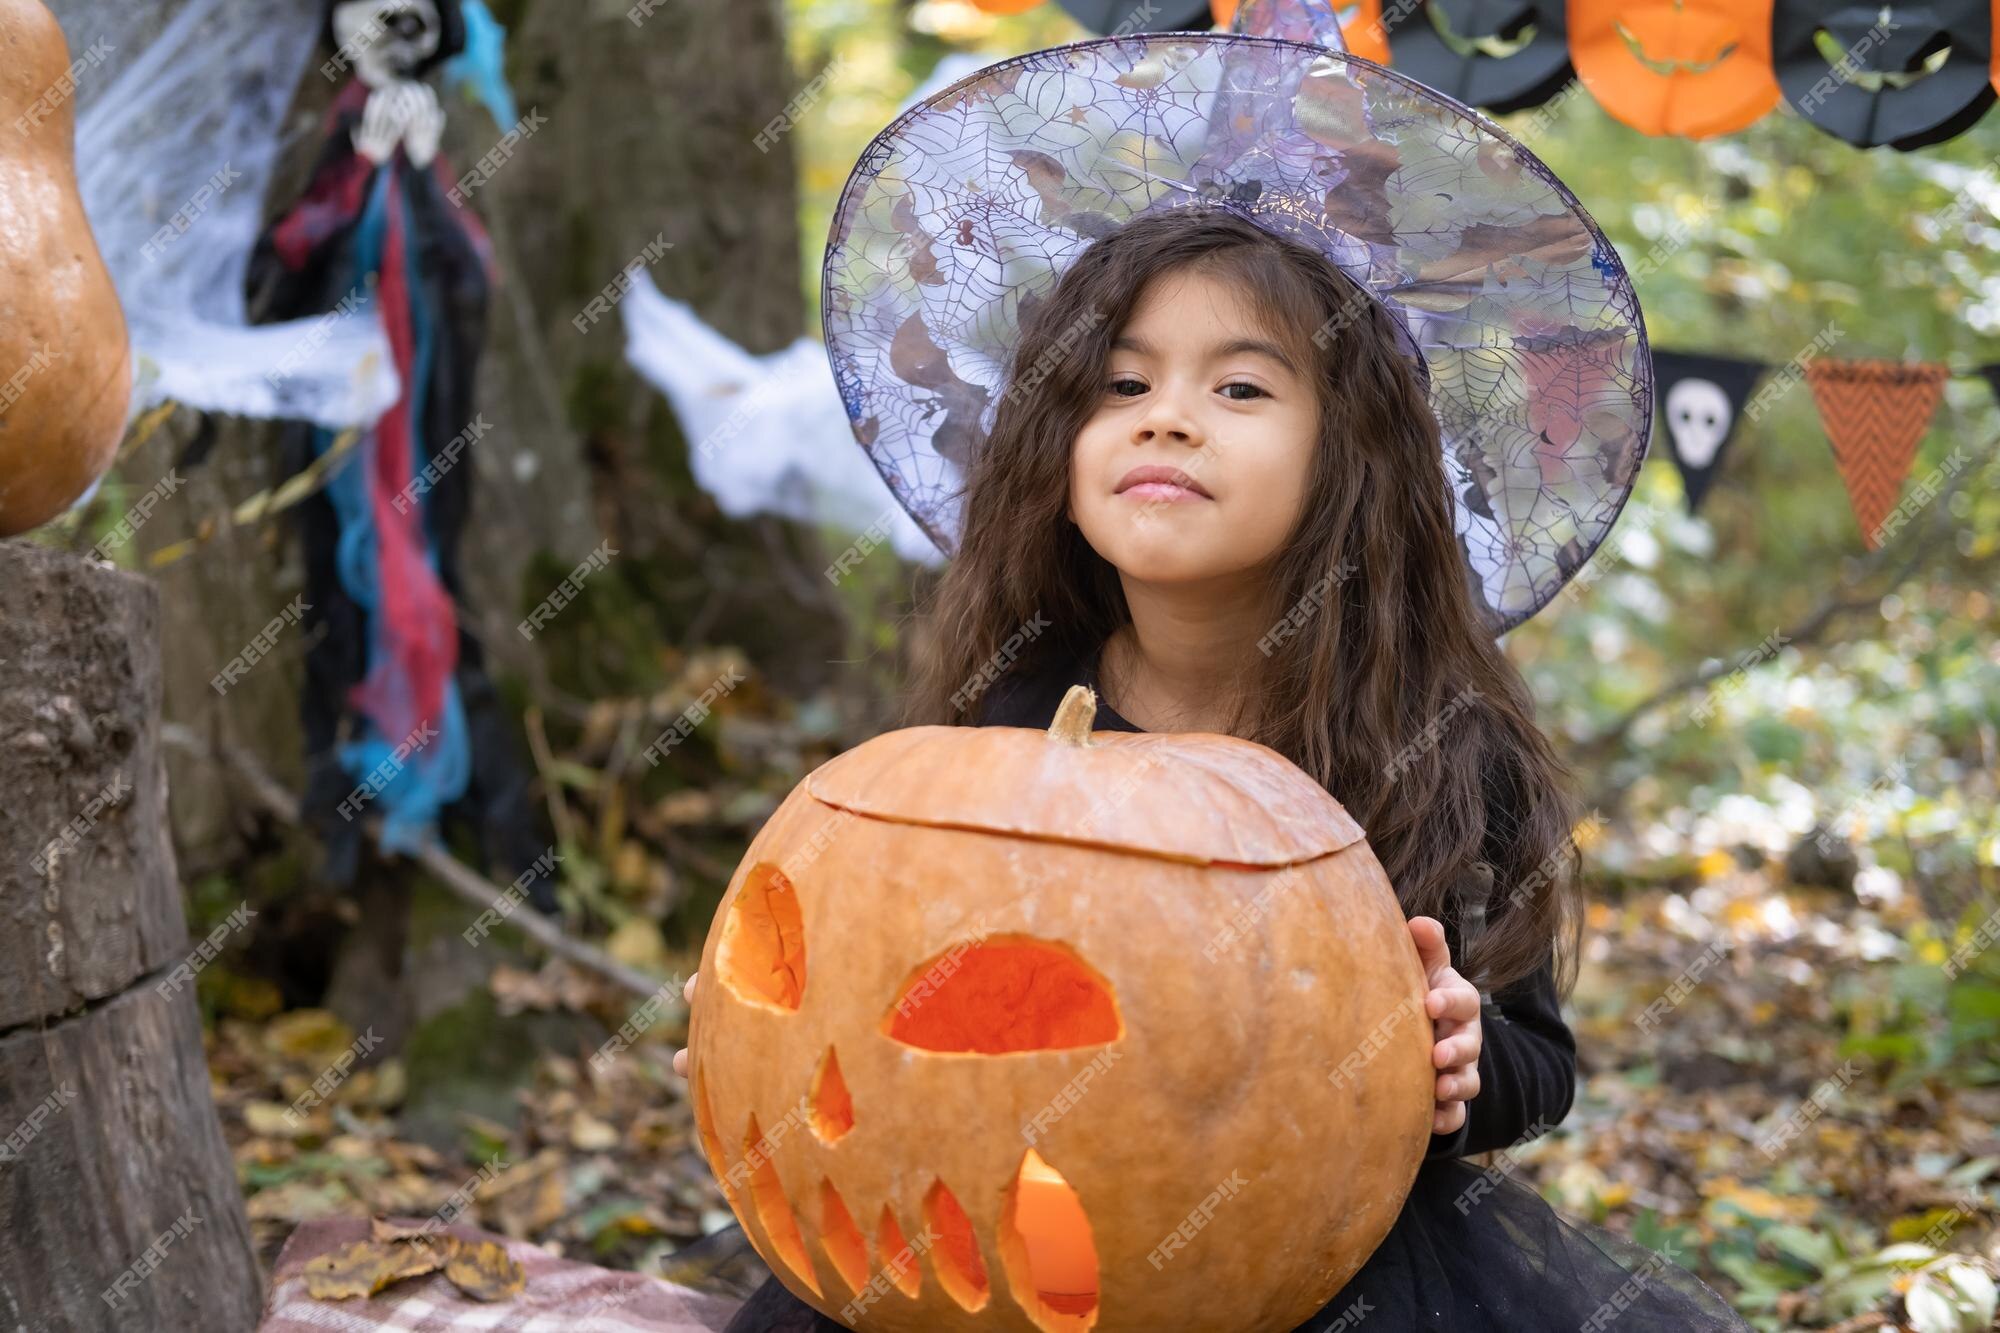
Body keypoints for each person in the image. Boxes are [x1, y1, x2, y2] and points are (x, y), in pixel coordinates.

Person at [677, 5, 1748, 1327]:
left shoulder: (1437, 740)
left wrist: (1461, 1055)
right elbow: (937, 987)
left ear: (1351, 457)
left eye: (1241, 390)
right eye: (1119, 386)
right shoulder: (1015, 712)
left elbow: (1542, 1060)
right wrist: (772, 1033)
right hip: (1022, 1243)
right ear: (1055, 445)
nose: (1168, 415)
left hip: (1324, 1266)